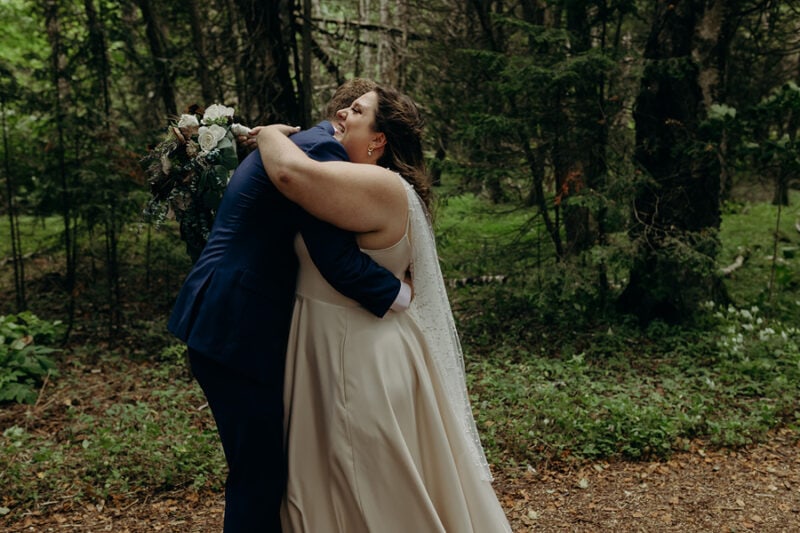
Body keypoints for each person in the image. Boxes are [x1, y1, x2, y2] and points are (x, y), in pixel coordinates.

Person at [256, 86, 512, 532]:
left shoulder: (380, 183)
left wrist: (265, 134)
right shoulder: (360, 182)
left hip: (354, 357)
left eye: (357, 111)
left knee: (372, 495)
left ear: (378, 142)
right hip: (342, 346)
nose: (341, 112)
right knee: (348, 489)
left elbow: (291, 173)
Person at [167, 80, 411, 532]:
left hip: (225, 317)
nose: (345, 119)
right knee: (259, 475)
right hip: (235, 324)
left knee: (258, 469)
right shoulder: (320, 153)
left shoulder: (301, 143)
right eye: (350, 110)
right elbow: (334, 257)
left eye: (357, 112)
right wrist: (401, 294)